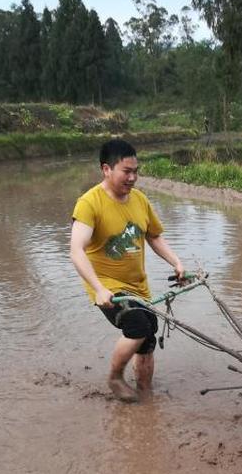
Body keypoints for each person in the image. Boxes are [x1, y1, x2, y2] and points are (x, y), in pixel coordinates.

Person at [70, 139, 186, 403]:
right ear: (106, 169)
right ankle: (114, 377)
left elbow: (154, 237)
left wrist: (177, 263)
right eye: (126, 171)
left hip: (138, 287)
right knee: (137, 326)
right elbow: (76, 250)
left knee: (148, 337)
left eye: (136, 171)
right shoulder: (88, 203)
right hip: (107, 287)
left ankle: (145, 394)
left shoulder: (140, 200)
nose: (133, 177)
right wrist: (99, 289)